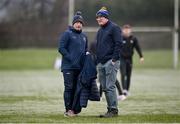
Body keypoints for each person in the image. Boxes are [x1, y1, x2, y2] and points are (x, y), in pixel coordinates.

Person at [58, 11, 88, 117]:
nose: (79, 24)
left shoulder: (84, 36)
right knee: (69, 88)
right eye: (77, 22)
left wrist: (87, 62)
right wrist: (71, 58)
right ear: (73, 23)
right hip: (68, 67)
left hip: (79, 68)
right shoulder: (67, 34)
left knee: (77, 89)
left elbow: (86, 51)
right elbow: (61, 48)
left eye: (80, 22)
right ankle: (68, 110)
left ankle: (75, 110)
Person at [95, 7, 122, 118]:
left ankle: (114, 110)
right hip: (101, 63)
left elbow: (119, 43)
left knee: (110, 86)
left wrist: (114, 59)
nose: (99, 19)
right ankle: (109, 109)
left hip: (111, 61)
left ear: (106, 17)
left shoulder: (114, 28)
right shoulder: (100, 30)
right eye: (97, 17)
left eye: (101, 17)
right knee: (105, 87)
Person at [118, 24, 144, 100]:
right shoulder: (120, 38)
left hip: (129, 59)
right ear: (123, 30)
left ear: (130, 30)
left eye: (128, 29)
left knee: (128, 75)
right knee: (123, 74)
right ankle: (124, 90)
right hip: (121, 59)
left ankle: (127, 90)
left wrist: (141, 56)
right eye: (125, 29)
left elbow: (137, 47)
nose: (126, 31)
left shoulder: (133, 39)